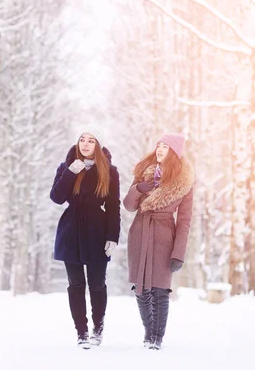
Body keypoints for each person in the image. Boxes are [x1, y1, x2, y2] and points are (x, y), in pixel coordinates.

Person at [50, 125, 120, 349]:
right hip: (71, 231)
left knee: (97, 284)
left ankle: (97, 329)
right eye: (82, 139)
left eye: (91, 140)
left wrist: (112, 236)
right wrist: (71, 172)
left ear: (97, 145)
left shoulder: (109, 171)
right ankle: (81, 332)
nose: (86, 144)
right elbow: (57, 197)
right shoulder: (67, 167)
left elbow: (113, 206)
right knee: (76, 284)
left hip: (97, 232)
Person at [123, 132, 194, 350]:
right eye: (158, 145)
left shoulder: (184, 182)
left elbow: (184, 221)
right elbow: (128, 205)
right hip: (140, 232)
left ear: (175, 152)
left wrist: (178, 253)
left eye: (165, 146)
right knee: (141, 288)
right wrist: (138, 189)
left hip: (165, 237)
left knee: (160, 289)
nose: (160, 149)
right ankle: (148, 333)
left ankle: (157, 337)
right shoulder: (144, 173)